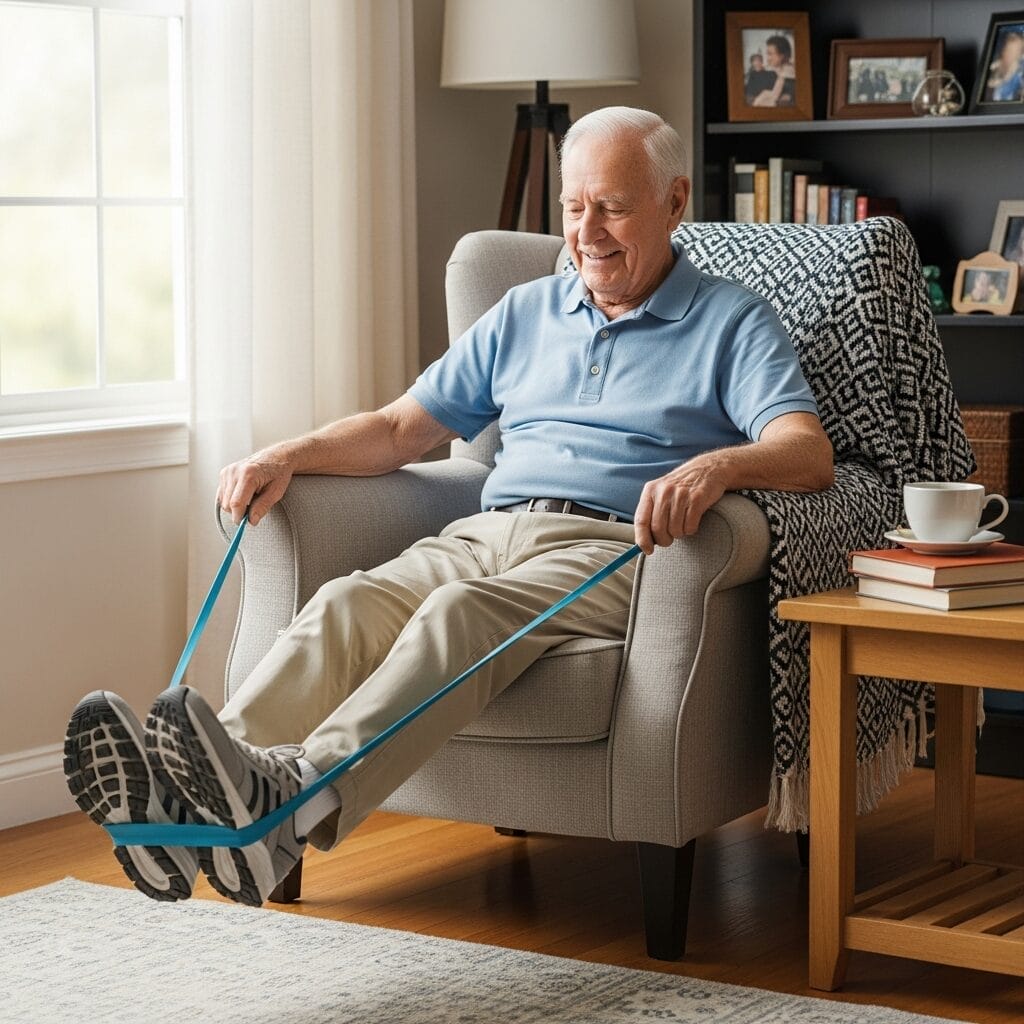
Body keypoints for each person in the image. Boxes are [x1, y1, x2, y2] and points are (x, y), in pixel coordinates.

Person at [63, 107, 833, 908]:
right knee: (345, 606)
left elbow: (807, 453)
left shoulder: (731, 321)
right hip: (488, 528)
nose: (588, 232)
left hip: (611, 547)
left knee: (456, 615)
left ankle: (296, 803)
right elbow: (400, 428)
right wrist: (285, 454)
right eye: (574, 208)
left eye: (613, 206)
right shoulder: (526, 311)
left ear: (675, 202)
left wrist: (715, 467)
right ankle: (186, 814)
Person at [752, 34, 796, 107]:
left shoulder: (788, 73)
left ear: (782, 56)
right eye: (767, 54)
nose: (768, 58)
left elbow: (774, 99)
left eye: (770, 54)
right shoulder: (783, 69)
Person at [985, 29, 1024, 102]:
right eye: (1010, 51)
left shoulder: (1019, 70)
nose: (1013, 55)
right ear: (1003, 51)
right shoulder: (993, 67)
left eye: (1017, 52)